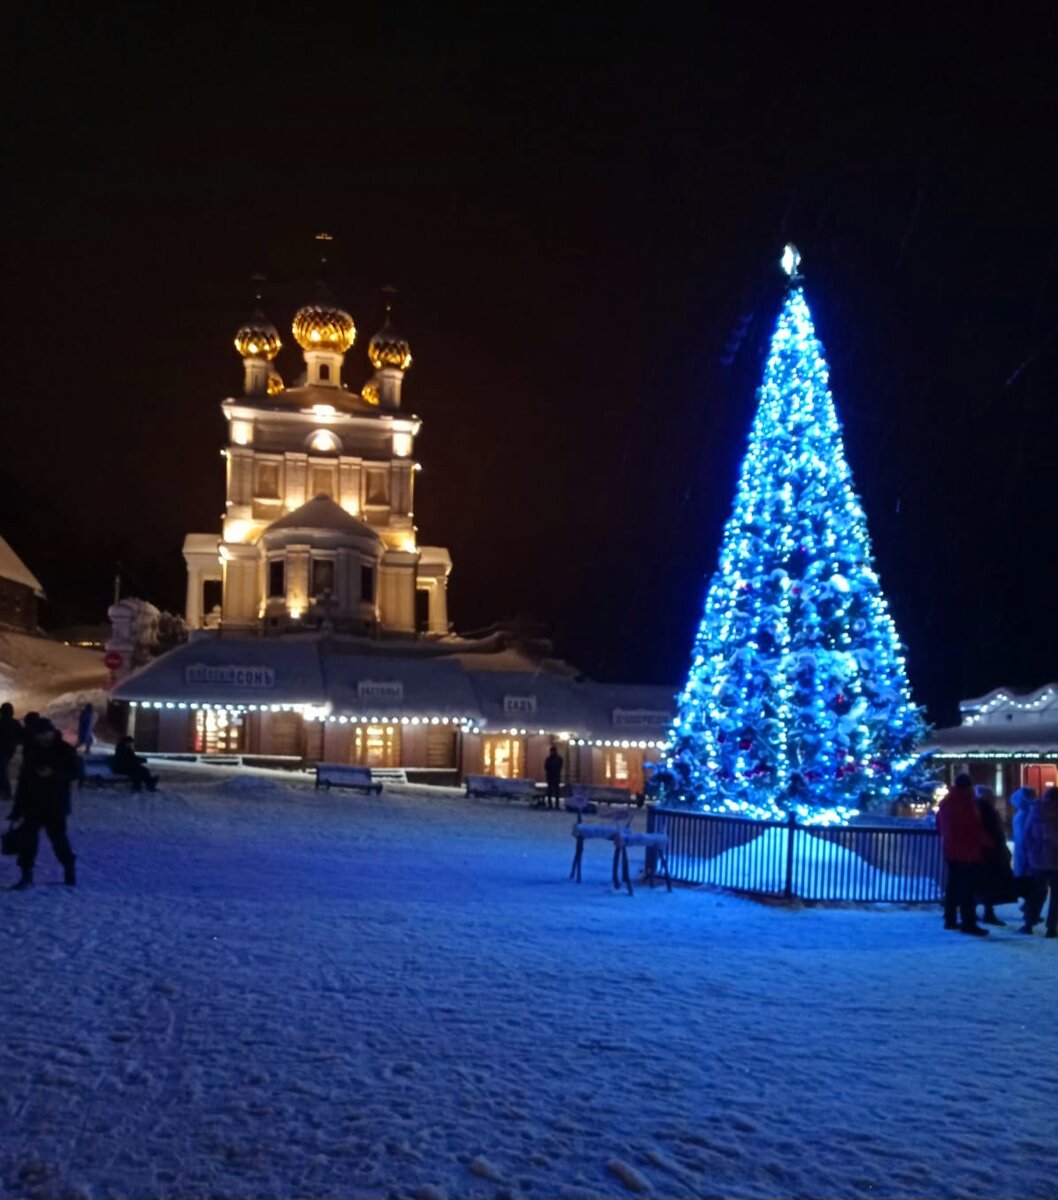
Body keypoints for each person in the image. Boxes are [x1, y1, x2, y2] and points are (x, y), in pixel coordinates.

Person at [8, 720, 79, 889]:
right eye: (38, 735)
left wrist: (53, 774)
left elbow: (74, 774)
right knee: (27, 840)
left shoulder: (65, 750)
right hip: (32, 803)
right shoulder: (31, 750)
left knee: (58, 839)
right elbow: (24, 780)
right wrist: (17, 809)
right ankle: (26, 875)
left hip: (55, 804)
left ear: (52, 732)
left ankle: (68, 868)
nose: (41, 738)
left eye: (43, 734)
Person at [935, 773, 991, 936]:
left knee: (953, 885)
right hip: (967, 851)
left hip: (950, 848)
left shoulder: (946, 802)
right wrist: (987, 843)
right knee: (968, 889)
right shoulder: (966, 803)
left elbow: (939, 824)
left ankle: (950, 918)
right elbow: (972, 828)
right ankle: (969, 922)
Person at [974, 785, 1016, 925]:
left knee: (984, 884)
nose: (992, 798)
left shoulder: (981, 808)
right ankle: (985, 912)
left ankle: (983, 911)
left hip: (987, 851)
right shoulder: (985, 809)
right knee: (987, 884)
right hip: (988, 852)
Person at [1022, 785, 1058, 938]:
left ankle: (1029, 923)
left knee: (1036, 893)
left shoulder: (1036, 810)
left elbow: (1027, 834)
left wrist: (1030, 851)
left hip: (1038, 858)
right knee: (1056, 896)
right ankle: (1052, 927)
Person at [1010, 786, 1041, 930]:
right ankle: (1029, 912)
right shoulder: (1027, 815)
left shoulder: (1021, 814)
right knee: (1032, 887)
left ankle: (1029, 911)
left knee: (1031, 886)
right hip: (1029, 856)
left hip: (1025, 856)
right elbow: (1025, 838)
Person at [0, 701, 22, 801]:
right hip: (9, 750)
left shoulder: (3, 722)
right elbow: (21, 737)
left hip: (4, 750)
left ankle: (6, 791)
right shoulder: (15, 723)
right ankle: (5, 791)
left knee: (2, 770)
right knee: (2, 770)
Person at [543, 744, 564, 810]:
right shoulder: (552, 759)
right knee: (552, 791)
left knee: (554, 791)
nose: (551, 753)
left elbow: (547, 767)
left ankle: (555, 804)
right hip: (553, 777)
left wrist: (551, 769)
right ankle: (551, 804)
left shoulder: (553, 759)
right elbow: (546, 767)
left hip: (553, 776)